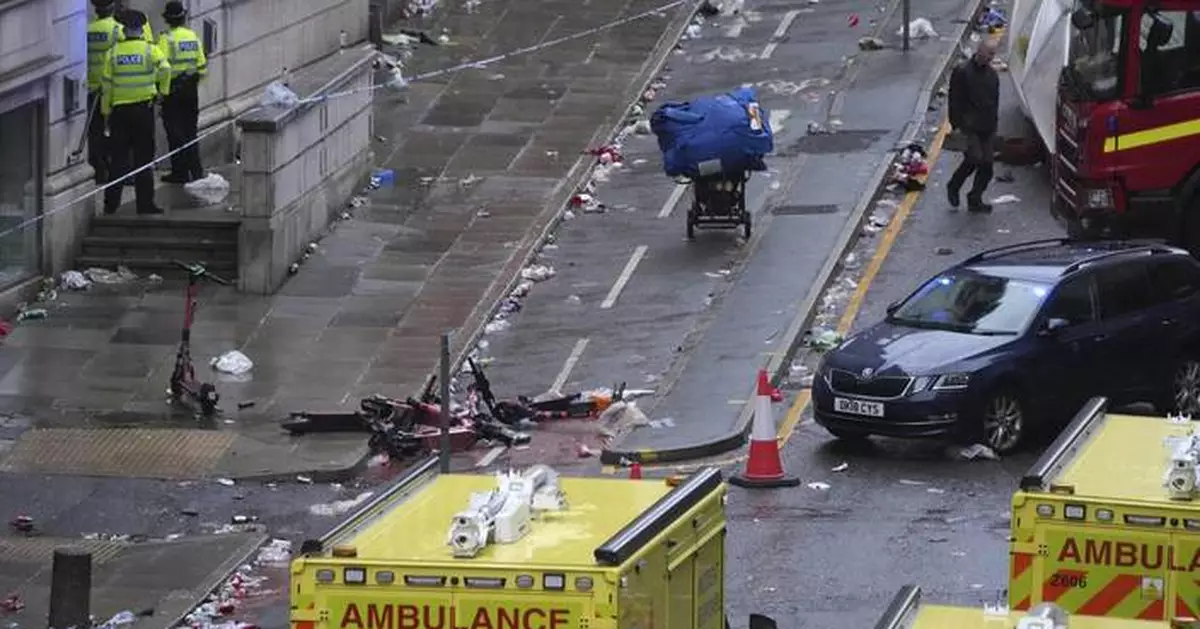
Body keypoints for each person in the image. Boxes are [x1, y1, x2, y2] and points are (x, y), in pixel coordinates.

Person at [101, 9, 171, 215]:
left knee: (118, 159)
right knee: (144, 159)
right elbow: (166, 69)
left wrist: (106, 113)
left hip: (119, 112)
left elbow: (106, 87)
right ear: (141, 30)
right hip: (143, 110)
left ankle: (111, 204)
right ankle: (145, 204)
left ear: (123, 30)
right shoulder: (150, 50)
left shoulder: (112, 53)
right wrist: (162, 93)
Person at [947, 38, 1000, 213]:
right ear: (980, 50)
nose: (991, 57)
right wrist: (956, 125)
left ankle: (975, 198)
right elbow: (954, 100)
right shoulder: (962, 72)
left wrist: (994, 126)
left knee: (987, 166)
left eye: (993, 54)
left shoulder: (992, 75)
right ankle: (954, 185)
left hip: (987, 126)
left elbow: (994, 102)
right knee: (974, 158)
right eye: (989, 53)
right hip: (969, 126)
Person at [158, 1, 208, 183]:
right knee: (191, 131)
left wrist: (162, 93)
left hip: (173, 92)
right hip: (190, 91)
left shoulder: (166, 39)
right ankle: (196, 171)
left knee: (174, 133)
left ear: (167, 20)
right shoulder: (192, 36)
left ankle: (179, 172)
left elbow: (162, 69)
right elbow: (202, 67)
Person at [85, 0, 123, 184]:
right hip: (113, 90)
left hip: (92, 89)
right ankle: (116, 169)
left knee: (95, 132)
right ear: (112, 8)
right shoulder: (118, 30)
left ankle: (99, 170)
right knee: (117, 131)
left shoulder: (88, 30)